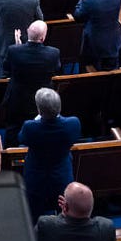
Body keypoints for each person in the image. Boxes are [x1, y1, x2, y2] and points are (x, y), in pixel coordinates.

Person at [20, 88, 81, 220]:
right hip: (62, 176)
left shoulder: (30, 127)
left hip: (35, 179)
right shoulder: (73, 124)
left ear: (39, 110)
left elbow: (22, 139)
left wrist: (37, 119)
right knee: (63, 214)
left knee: (33, 214)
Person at [75, 0, 121, 71]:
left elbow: (78, 16)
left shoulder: (88, 2)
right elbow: (101, 6)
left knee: (94, 74)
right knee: (113, 73)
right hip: (113, 41)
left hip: (95, 47)